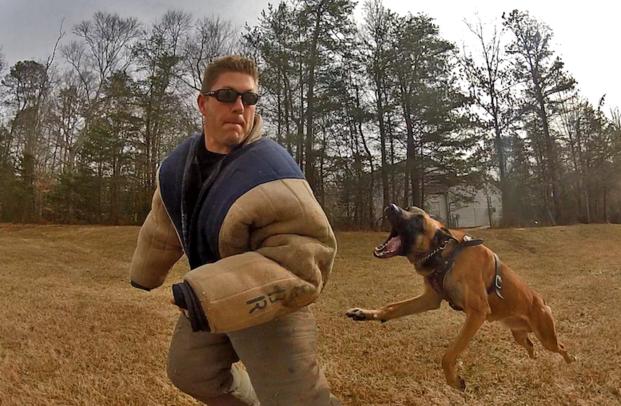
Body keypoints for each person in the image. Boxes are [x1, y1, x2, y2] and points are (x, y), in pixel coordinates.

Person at [129, 55, 339, 405]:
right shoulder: (178, 167)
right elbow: (163, 224)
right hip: (210, 299)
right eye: (227, 96)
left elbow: (309, 254)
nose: (239, 107)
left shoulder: (273, 173)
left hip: (269, 304)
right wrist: (144, 273)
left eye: (249, 98)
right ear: (203, 103)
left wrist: (203, 291)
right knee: (190, 371)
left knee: (299, 400)